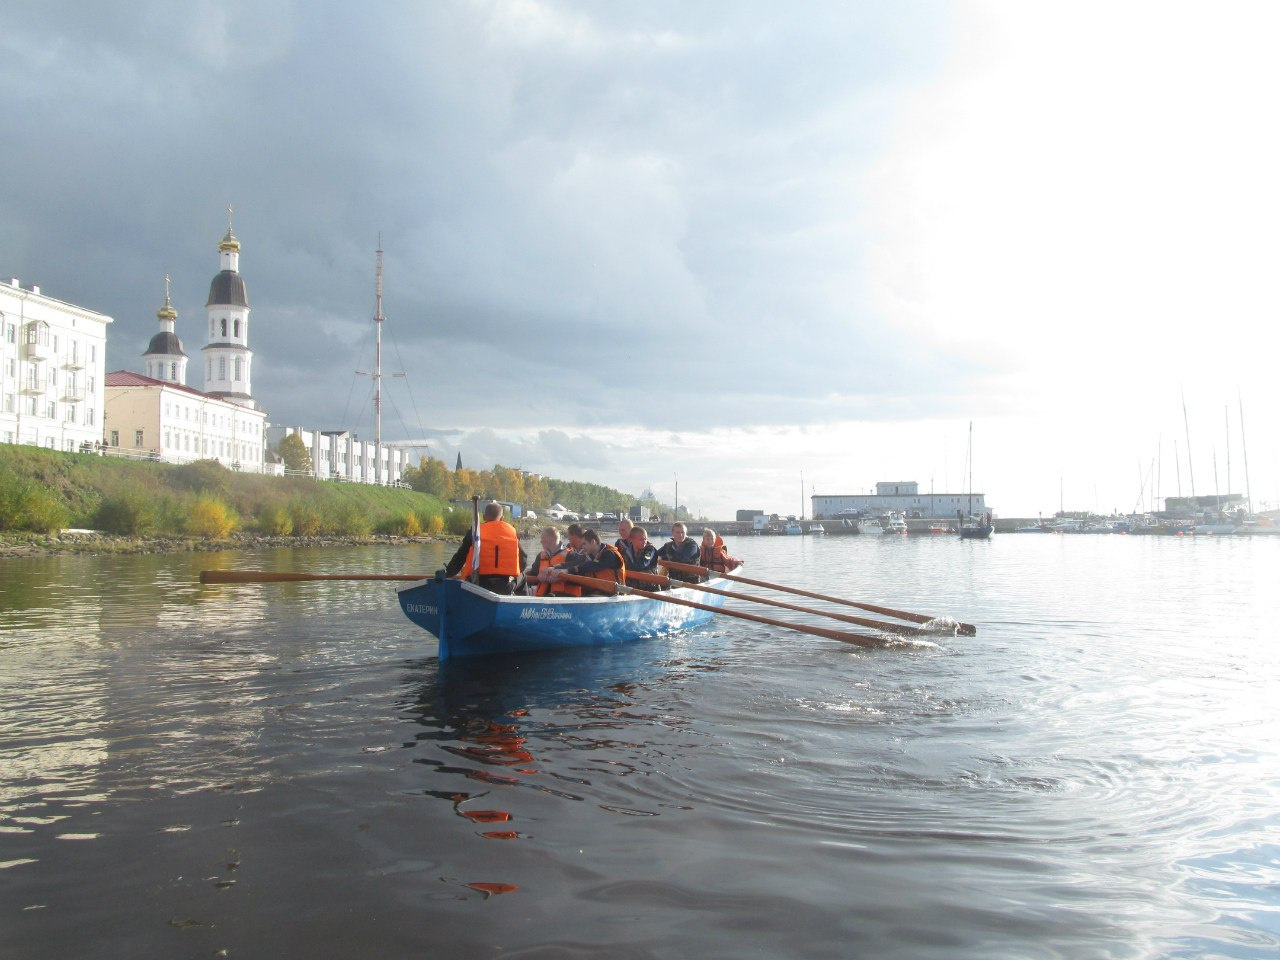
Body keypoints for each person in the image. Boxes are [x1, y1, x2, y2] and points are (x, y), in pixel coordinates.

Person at [444, 501, 527, 594]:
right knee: (522, 576)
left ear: (484, 517)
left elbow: (460, 557)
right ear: (502, 519)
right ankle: (525, 606)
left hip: (478, 584)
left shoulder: (475, 532)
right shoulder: (512, 532)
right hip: (505, 586)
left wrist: (448, 573)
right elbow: (523, 560)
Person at [547, 528, 626, 596]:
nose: (583, 547)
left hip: (613, 593)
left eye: (584, 544)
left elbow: (593, 566)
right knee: (556, 594)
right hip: (596, 592)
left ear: (593, 542)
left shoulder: (610, 554)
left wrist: (567, 570)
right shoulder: (590, 555)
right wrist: (554, 568)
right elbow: (575, 563)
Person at [526, 526, 582, 597]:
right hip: (542, 598)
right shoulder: (541, 556)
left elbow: (578, 577)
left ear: (552, 538)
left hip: (565, 598)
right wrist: (538, 578)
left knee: (551, 596)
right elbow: (532, 574)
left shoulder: (571, 555)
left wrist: (560, 578)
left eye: (543, 537)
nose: (541, 541)